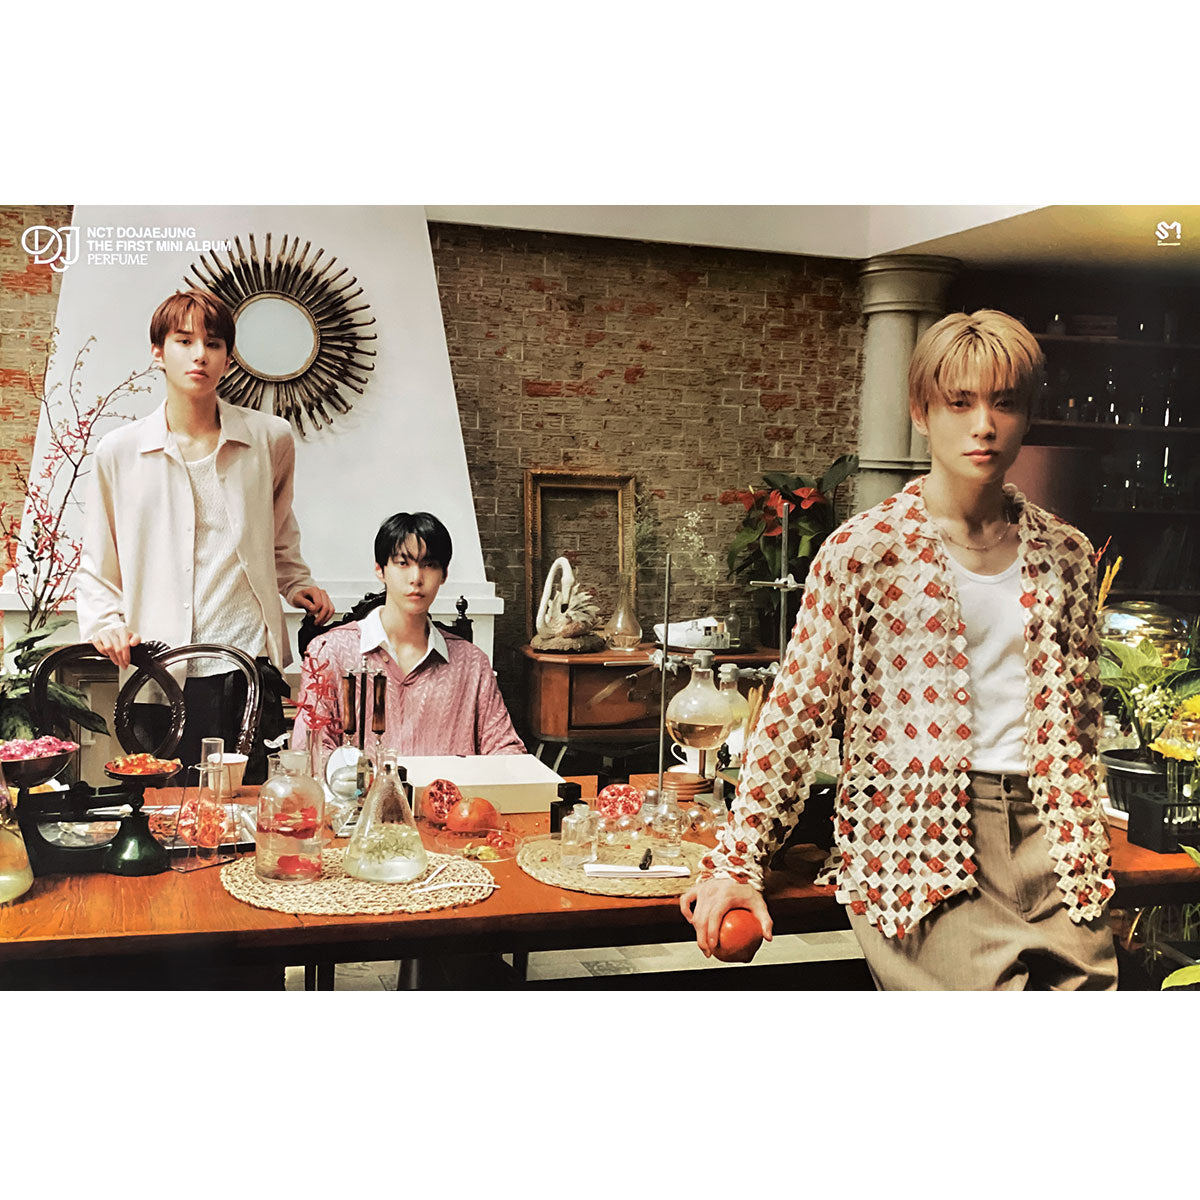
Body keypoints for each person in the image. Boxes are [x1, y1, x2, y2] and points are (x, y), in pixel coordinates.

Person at [682, 309, 1118, 990]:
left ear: (1028, 415)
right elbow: (796, 713)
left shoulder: (1067, 553)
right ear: (921, 411)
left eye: (1005, 403)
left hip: (1059, 843)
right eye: (960, 402)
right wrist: (741, 859)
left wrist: (1085, 819)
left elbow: (1079, 720)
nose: (984, 425)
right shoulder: (865, 551)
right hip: (921, 843)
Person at [77, 288, 334, 780]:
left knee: (245, 808)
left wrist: (296, 582)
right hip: (157, 671)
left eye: (213, 343)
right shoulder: (119, 452)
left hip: (245, 666)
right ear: (158, 352)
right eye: (184, 340)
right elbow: (99, 563)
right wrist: (105, 622)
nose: (200, 354)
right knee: (160, 807)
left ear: (228, 359)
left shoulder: (269, 440)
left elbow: (279, 532)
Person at [292, 511, 525, 757]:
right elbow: (309, 751)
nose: (416, 578)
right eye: (403, 563)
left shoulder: (472, 663)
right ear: (380, 569)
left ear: (444, 574)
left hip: (450, 784)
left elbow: (506, 749)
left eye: (429, 565)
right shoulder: (329, 652)